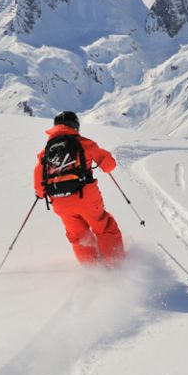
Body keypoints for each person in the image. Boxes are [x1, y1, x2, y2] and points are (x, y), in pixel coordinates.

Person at [34, 111, 125, 265]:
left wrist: (41, 193)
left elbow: (39, 181)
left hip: (60, 203)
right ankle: (116, 267)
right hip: (86, 198)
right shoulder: (83, 143)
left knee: (78, 236)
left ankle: (92, 269)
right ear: (75, 126)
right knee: (104, 228)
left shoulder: (45, 152)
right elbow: (109, 165)